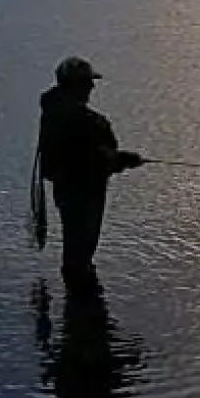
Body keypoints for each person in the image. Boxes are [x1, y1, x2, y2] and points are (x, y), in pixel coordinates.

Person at [36, 56, 145, 293]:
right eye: (87, 83)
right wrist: (125, 159)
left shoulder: (53, 113)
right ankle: (82, 296)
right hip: (85, 191)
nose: (92, 87)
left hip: (65, 188)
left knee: (74, 244)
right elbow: (98, 157)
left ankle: (77, 294)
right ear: (76, 85)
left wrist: (118, 159)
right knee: (81, 246)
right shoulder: (88, 122)